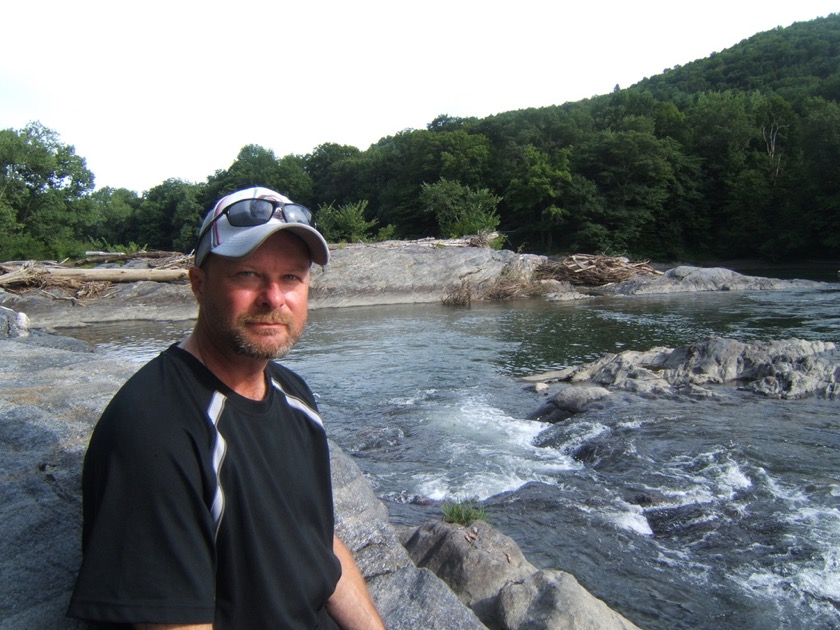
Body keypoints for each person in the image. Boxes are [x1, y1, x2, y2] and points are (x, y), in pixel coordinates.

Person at [67, 186, 386, 629]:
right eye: (249, 274)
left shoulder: (295, 395)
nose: (274, 298)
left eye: (292, 277)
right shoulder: (156, 432)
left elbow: (319, 541)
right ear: (199, 284)